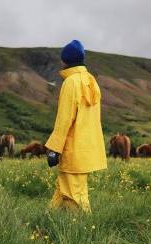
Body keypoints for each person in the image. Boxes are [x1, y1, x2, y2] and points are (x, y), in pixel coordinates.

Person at [45, 40, 107, 213]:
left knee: (74, 197)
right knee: (63, 190)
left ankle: (83, 231)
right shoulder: (91, 82)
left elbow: (64, 119)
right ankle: (47, 220)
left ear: (65, 60)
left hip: (72, 149)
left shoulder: (71, 83)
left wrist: (54, 149)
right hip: (86, 150)